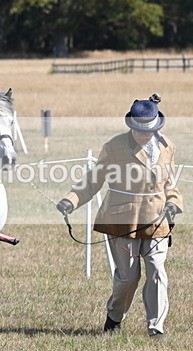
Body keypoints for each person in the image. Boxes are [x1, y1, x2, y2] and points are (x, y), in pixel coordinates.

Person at [56, 94, 184, 338]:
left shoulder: (167, 147)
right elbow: (93, 180)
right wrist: (71, 200)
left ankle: (156, 326)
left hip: (157, 220)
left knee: (157, 269)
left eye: (146, 131)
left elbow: (171, 184)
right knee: (128, 277)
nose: (142, 135)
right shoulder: (114, 147)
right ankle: (114, 317)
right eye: (137, 130)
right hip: (122, 220)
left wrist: (174, 203)